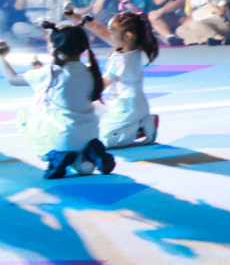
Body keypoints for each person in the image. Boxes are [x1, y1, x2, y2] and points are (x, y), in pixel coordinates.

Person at [0, 24, 116, 179]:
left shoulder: (50, 72)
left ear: (56, 49)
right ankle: (92, 153)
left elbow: (13, 79)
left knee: (23, 117)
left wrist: (2, 56)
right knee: (84, 169)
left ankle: (54, 155)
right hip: (90, 134)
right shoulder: (90, 72)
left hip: (63, 137)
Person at [80, 10, 158, 147]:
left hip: (128, 107)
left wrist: (83, 88)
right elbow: (102, 32)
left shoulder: (121, 61)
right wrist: (79, 18)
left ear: (127, 36)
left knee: (101, 141)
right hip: (127, 104)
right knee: (92, 111)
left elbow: (103, 83)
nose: (109, 35)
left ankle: (138, 127)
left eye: (113, 32)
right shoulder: (132, 50)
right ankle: (138, 123)